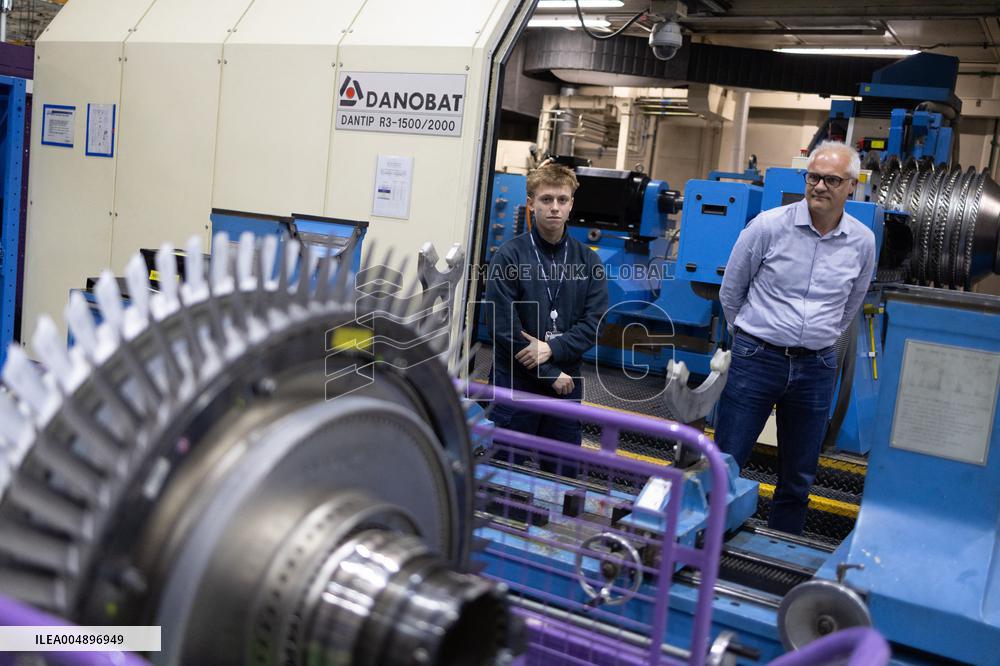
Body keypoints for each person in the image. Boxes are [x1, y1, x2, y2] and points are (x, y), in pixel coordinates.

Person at [716, 141, 877, 535]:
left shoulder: (862, 241)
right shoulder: (768, 226)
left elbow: (850, 305)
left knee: (798, 477)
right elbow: (730, 291)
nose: (819, 186)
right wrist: (752, 338)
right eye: (814, 177)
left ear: (852, 186)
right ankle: (707, 540)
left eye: (832, 180)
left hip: (816, 367)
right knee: (725, 463)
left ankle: (780, 549)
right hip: (757, 358)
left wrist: (817, 337)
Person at [485, 163, 608, 469]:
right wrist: (550, 374)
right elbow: (503, 328)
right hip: (518, 385)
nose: (555, 207)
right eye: (546, 199)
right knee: (503, 477)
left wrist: (552, 349)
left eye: (562, 200)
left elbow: (594, 324)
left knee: (563, 477)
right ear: (531, 204)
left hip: (566, 387)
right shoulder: (509, 256)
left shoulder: (588, 261)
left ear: (571, 205)